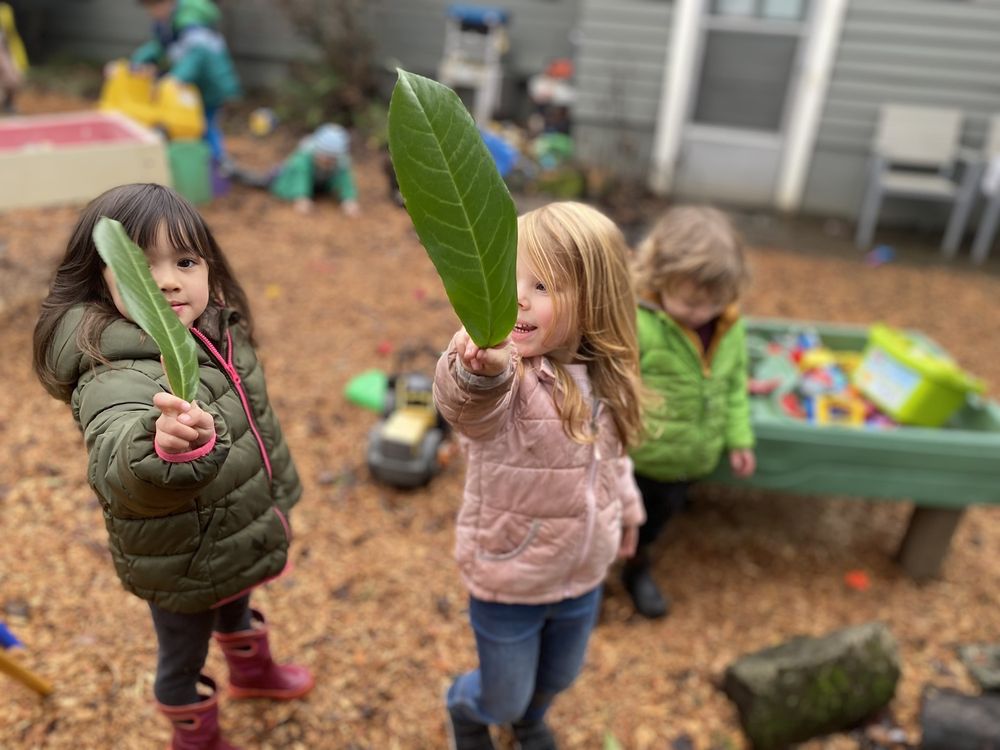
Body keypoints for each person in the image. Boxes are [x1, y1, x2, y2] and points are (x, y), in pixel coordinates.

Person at [32, 183, 312, 750]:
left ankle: (252, 674)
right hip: (178, 557)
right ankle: (193, 735)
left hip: (238, 525)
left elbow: (251, 414)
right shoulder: (111, 370)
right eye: (140, 266)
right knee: (182, 656)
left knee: (239, 600)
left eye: (185, 260)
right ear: (101, 279)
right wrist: (161, 446)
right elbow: (117, 455)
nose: (167, 280)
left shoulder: (215, 332)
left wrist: (275, 491)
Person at [434, 202, 646, 750]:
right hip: (511, 574)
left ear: (596, 298)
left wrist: (628, 507)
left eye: (542, 284)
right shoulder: (511, 376)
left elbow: (612, 457)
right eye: (508, 279)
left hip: (582, 573)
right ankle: (466, 706)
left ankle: (529, 718)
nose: (517, 298)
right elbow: (468, 409)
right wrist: (480, 373)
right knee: (501, 693)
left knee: (558, 677)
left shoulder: (607, 375)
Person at [626, 205, 756, 619]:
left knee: (654, 524)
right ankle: (586, 586)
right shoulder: (639, 323)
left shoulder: (728, 326)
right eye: (689, 301)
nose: (701, 312)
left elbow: (733, 384)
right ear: (658, 277)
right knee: (609, 523)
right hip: (637, 456)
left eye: (714, 302)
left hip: (689, 458)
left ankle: (636, 568)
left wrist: (738, 438)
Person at [131, 0, 241, 163]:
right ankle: (199, 163)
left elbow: (197, 54)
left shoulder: (191, 22)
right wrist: (138, 61)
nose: (152, 12)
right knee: (191, 126)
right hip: (191, 86)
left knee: (206, 124)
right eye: (149, 8)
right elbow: (158, 47)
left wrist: (177, 77)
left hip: (210, 84)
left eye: (155, 6)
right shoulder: (166, 23)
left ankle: (218, 165)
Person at [265, 123, 361, 216]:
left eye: (332, 159)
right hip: (282, 177)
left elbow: (345, 180)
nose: (327, 161)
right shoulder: (303, 158)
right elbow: (300, 178)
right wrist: (301, 198)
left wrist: (349, 201)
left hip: (316, 185)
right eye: (325, 156)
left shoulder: (341, 162)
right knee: (265, 180)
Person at [0, 2, 28, 113]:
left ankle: (8, 104)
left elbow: (10, 34)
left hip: (3, 50)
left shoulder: (5, 10)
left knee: (14, 79)